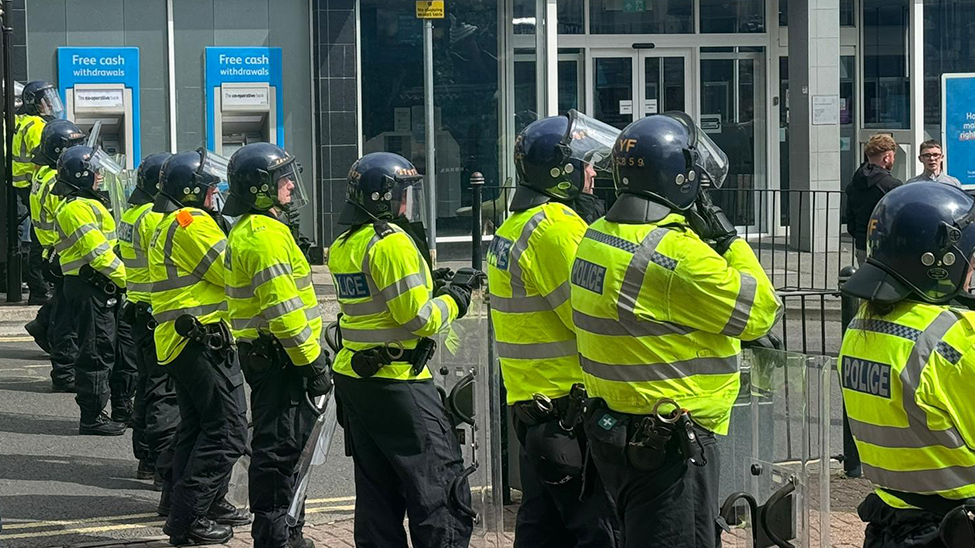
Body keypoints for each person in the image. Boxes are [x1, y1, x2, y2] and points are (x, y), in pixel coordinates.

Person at [570, 113, 781, 548]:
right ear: (681, 179)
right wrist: (728, 239)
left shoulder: (596, 237)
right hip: (670, 444)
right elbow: (761, 311)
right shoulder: (679, 257)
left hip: (613, 429)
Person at [327, 152, 475, 547]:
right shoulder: (391, 242)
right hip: (400, 379)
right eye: (403, 193)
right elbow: (420, 318)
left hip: (358, 378)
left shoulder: (345, 242)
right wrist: (456, 298)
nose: (408, 202)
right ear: (383, 197)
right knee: (439, 487)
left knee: (378, 493)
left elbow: (378, 303)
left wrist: (431, 283)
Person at [487, 113, 621, 547]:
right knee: (597, 529)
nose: (594, 172)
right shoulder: (556, 229)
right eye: (586, 164)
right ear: (562, 171)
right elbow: (590, 317)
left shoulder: (515, 227)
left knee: (541, 529)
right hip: (570, 410)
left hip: (534, 406)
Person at [839, 182, 975, 547]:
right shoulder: (955, 337)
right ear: (941, 260)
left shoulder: (860, 327)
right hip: (954, 526)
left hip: (890, 519)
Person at [223, 143, 332, 548]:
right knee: (279, 451)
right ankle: (275, 535)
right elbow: (284, 313)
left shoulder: (258, 229)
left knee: (287, 447)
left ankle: (288, 528)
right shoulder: (266, 237)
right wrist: (313, 364)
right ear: (259, 189)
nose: (290, 185)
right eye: (281, 179)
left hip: (272, 355)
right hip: (283, 358)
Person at [149, 150, 248, 546]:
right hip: (200, 340)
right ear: (192, 193)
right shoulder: (192, 223)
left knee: (198, 426)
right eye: (210, 191)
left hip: (184, 341)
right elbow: (232, 273)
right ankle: (188, 521)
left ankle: (191, 501)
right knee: (227, 431)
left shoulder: (175, 220)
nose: (215, 198)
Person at [50, 145, 128, 435]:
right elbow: (99, 255)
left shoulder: (87, 203)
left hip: (95, 285)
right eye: (94, 172)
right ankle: (92, 416)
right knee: (96, 350)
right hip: (89, 286)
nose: (98, 176)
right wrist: (128, 281)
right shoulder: (75, 208)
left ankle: (108, 408)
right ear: (81, 175)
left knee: (106, 347)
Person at [118, 152, 178, 488]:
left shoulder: (132, 214)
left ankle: (145, 458)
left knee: (145, 386)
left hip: (137, 309)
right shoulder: (155, 218)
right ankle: (160, 462)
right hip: (156, 310)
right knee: (163, 391)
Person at [24, 119, 85, 381]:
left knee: (62, 301)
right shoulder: (55, 181)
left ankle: (40, 324)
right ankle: (65, 369)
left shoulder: (43, 174)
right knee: (67, 315)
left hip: (49, 249)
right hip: (60, 250)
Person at [14, 81, 63, 305]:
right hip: (34, 182)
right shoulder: (36, 126)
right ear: (35, 103)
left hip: (26, 183)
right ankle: (39, 287)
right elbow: (42, 158)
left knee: (38, 232)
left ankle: (40, 286)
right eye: (46, 101)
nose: (50, 105)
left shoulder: (26, 121)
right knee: (40, 234)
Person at [846, 133, 903, 267]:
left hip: (862, 244)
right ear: (887, 157)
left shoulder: (854, 183)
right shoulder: (892, 185)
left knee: (866, 284)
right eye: (893, 156)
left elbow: (850, 219)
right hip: (886, 246)